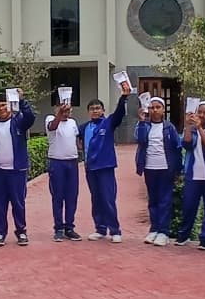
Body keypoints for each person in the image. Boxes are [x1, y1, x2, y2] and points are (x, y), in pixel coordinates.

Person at [83, 84, 131, 242]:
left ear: (103, 110)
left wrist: (123, 97)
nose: (95, 111)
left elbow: (119, 114)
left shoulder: (109, 123)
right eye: (92, 108)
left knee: (108, 198)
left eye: (98, 108)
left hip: (105, 167)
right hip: (90, 168)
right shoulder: (84, 127)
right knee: (95, 199)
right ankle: (100, 229)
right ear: (88, 112)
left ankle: (115, 231)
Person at [0, 90, 36, 247]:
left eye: (3, 105)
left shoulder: (18, 122)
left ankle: (21, 231)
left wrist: (22, 100)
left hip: (17, 171)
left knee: (18, 202)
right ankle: (0, 232)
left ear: (9, 106)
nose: (1, 109)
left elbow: (30, 117)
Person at [135, 96, 182, 246]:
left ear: (163, 110)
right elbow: (141, 140)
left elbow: (177, 148)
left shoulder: (169, 127)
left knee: (164, 200)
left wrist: (177, 169)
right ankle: (154, 229)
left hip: (165, 168)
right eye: (152, 107)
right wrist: (142, 121)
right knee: (153, 200)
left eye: (158, 107)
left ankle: (164, 231)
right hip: (150, 167)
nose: (155, 110)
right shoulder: (144, 125)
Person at [177, 100, 205, 249]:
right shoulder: (191, 128)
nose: (202, 115)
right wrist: (188, 127)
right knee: (189, 206)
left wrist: (200, 129)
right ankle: (184, 235)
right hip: (193, 174)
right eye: (200, 112)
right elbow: (187, 144)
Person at [45, 100, 83, 242]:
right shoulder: (50, 119)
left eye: (68, 109)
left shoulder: (73, 122)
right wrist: (60, 113)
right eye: (62, 109)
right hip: (57, 162)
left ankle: (69, 227)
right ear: (56, 108)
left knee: (72, 196)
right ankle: (58, 228)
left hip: (72, 163)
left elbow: (77, 141)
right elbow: (52, 127)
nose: (66, 111)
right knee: (58, 196)